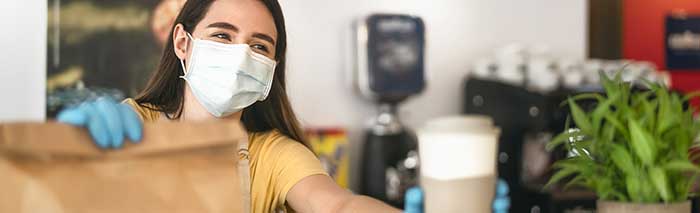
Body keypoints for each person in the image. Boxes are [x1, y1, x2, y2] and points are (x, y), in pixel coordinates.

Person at [57, 0, 510, 212]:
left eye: (260, 45)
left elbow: (337, 207)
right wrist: (66, 151)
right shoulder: (129, 127)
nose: (241, 55)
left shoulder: (272, 155)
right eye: (222, 36)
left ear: (272, 66)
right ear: (183, 42)